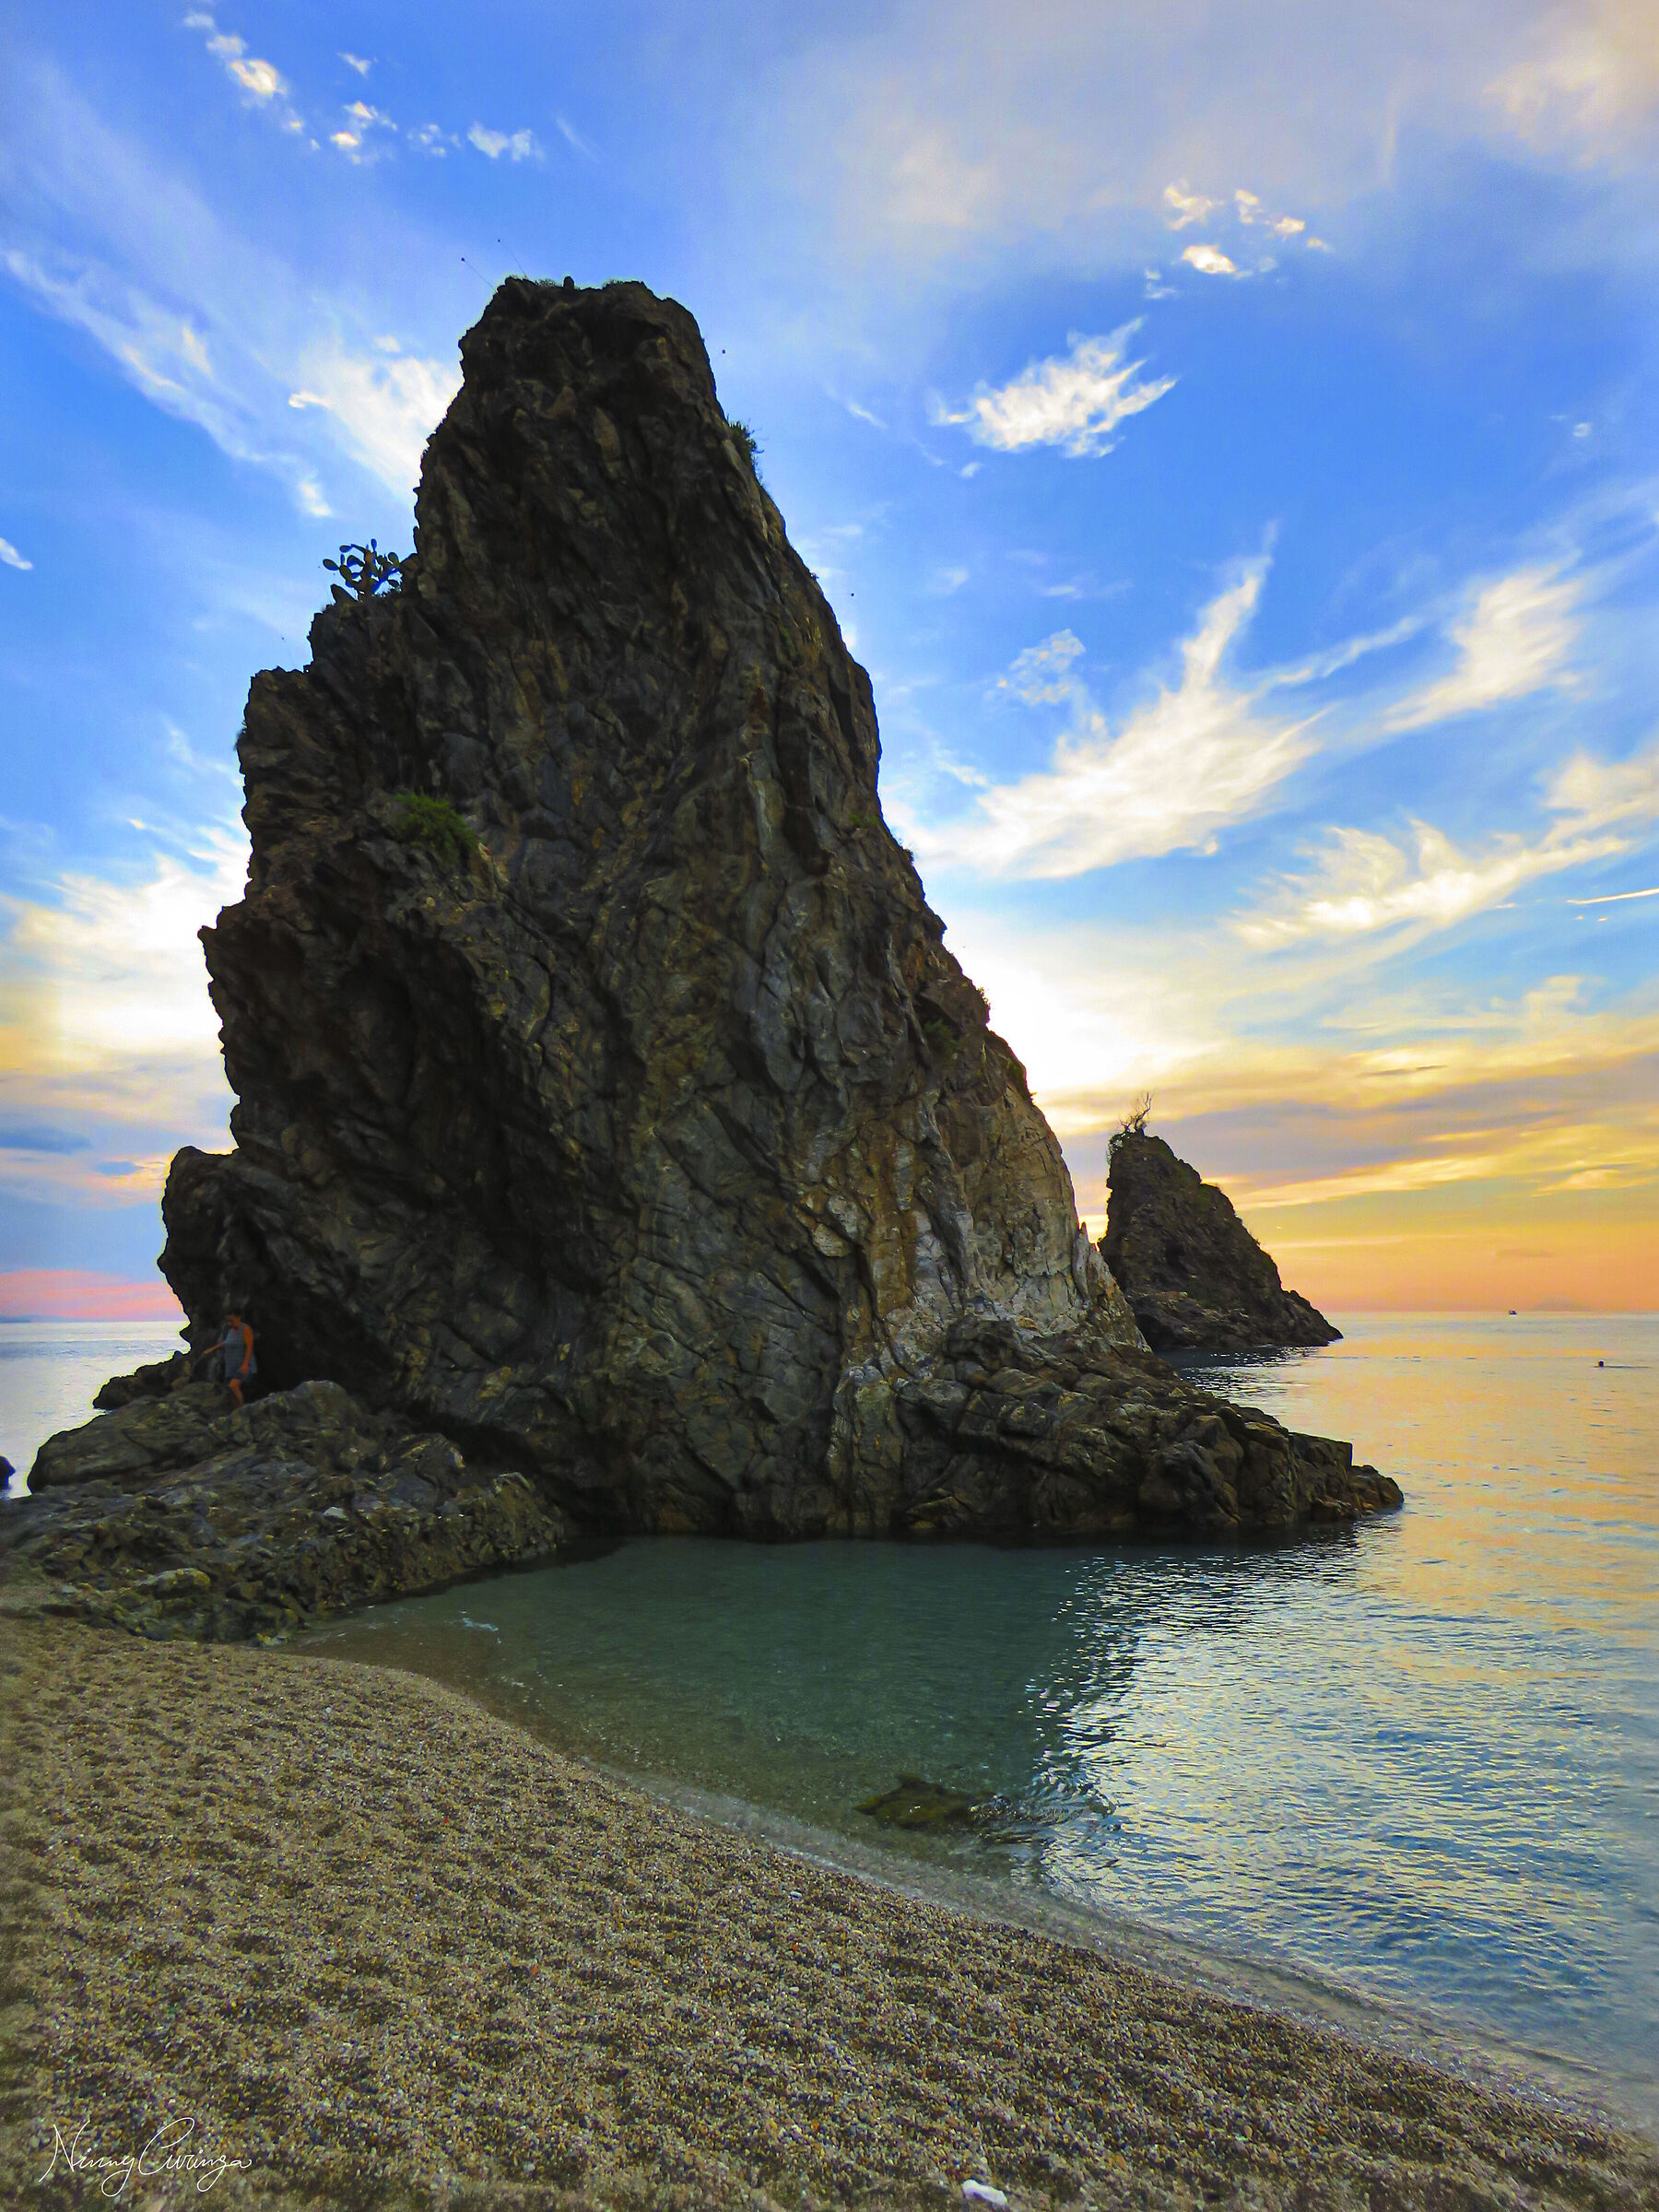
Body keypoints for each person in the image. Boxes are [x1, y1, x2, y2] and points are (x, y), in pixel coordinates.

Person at [198, 1311, 256, 1407]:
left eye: (231, 1321)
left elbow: (249, 1347)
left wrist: (245, 1364)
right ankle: (235, 1411)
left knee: (233, 1386)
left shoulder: (245, 1329)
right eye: (228, 1321)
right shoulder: (231, 1330)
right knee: (229, 1390)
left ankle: (242, 1409)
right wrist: (212, 1349)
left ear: (238, 1318)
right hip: (231, 1365)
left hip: (243, 1364)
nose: (229, 1323)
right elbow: (226, 1343)